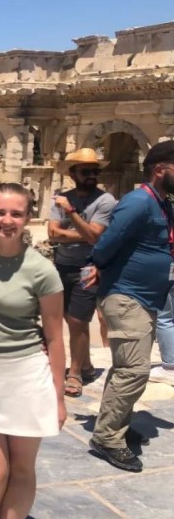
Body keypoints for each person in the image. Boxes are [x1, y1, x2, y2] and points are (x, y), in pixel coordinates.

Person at [0, 183, 65, 519]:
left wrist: (59, 397)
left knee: (21, 469)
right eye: (0, 212)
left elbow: (54, 338)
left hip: (26, 374)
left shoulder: (42, 270)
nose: (7, 220)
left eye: (16, 213)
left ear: (28, 218)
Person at [88, 140, 174, 472]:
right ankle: (107, 437)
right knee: (135, 370)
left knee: (126, 367)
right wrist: (102, 269)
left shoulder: (163, 202)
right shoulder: (138, 202)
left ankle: (116, 424)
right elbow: (105, 247)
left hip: (144, 298)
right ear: (160, 170)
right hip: (127, 296)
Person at [47, 148, 116, 398]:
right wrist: (84, 233)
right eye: (86, 171)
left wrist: (71, 214)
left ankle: (74, 373)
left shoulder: (105, 201)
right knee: (68, 319)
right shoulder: (60, 197)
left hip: (89, 266)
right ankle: (86, 366)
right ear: (73, 173)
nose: (91, 175)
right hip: (63, 266)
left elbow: (95, 236)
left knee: (78, 320)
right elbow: (52, 234)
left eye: (95, 171)